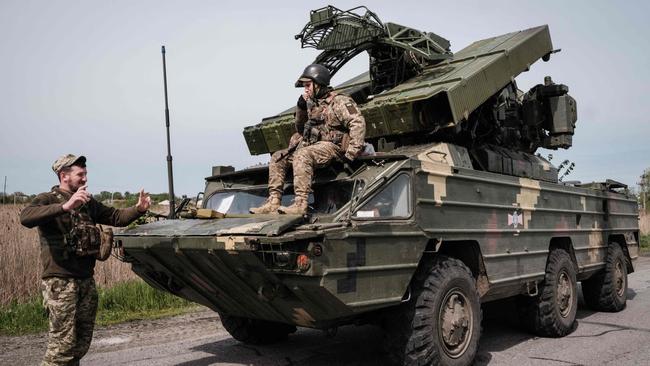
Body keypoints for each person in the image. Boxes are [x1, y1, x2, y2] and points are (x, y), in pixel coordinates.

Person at [20, 154, 151, 366]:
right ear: (64, 176)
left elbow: (116, 216)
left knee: (80, 344)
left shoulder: (87, 203)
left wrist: (139, 209)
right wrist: (65, 206)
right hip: (60, 282)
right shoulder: (48, 199)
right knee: (61, 348)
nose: (84, 179)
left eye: (85, 174)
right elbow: (25, 217)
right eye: (80, 174)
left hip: (85, 281)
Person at [250, 64, 366, 215]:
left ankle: (300, 203)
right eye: (304, 86)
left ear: (319, 83)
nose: (305, 89)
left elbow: (357, 122)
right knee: (278, 157)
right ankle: (273, 201)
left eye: (308, 85)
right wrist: (301, 107)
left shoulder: (340, 101)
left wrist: (351, 153)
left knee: (302, 155)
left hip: (334, 147)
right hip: (315, 146)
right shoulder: (312, 103)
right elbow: (300, 129)